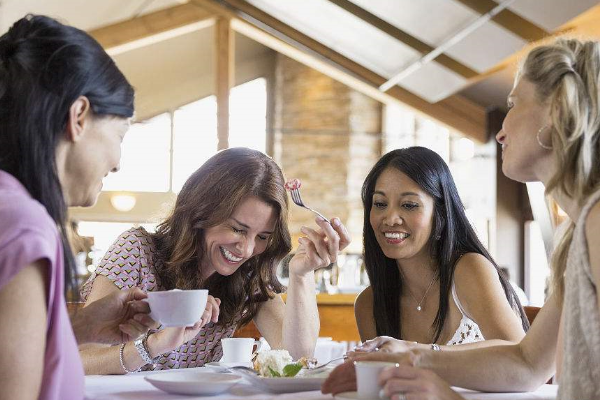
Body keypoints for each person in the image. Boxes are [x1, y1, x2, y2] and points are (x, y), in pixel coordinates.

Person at [322, 38, 600, 400]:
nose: (500, 132)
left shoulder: (596, 222)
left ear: (557, 110)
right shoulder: (578, 234)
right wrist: (408, 358)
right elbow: (526, 364)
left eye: (513, 104)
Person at [79, 147, 351, 374]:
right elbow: (80, 358)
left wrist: (302, 275)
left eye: (262, 236)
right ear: (202, 212)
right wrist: (154, 345)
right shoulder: (137, 250)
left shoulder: (247, 276)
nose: (246, 250)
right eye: (237, 229)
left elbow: (296, 358)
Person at [0, 15, 155, 400]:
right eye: (120, 134)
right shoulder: (24, 224)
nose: (118, 161)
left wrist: (79, 326)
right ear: (79, 116)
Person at [351, 146, 528, 355]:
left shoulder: (469, 270)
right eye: (380, 203)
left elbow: (517, 351)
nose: (390, 219)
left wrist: (418, 352)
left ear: (440, 214)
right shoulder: (368, 304)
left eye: (409, 205)